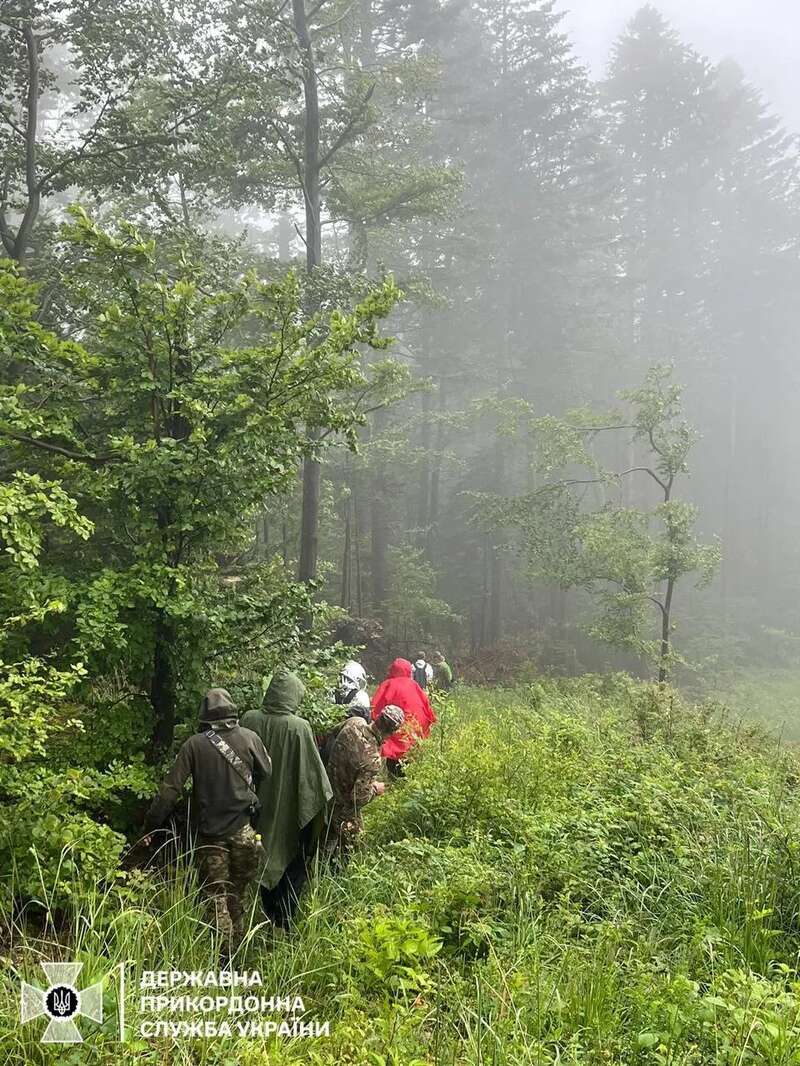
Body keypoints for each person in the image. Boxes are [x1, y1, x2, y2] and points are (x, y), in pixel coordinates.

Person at [141, 689, 271, 956]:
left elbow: (170, 790)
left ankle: (224, 958)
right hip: (244, 832)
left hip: (210, 836)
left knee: (215, 898)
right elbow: (267, 771)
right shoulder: (250, 738)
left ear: (205, 717)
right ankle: (240, 951)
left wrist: (151, 826)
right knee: (239, 895)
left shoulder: (194, 745)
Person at [240, 669, 332, 929]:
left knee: (258, 855)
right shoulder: (299, 728)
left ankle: (262, 917)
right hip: (287, 808)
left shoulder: (249, 719)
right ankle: (283, 923)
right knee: (290, 860)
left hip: (250, 808)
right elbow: (314, 780)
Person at [326, 704, 405, 858]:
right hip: (341, 807)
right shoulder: (373, 759)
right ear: (392, 732)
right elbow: (358, 798)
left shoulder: (354, 722)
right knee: (354, 846)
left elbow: (331, 733)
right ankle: (335, 871)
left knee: (322, 840)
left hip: (325, 788)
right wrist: (375, 789)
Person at [371, 658, 437, 776]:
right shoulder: (415, 685)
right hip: (413, 732)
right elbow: (427, 709)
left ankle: (394, 781)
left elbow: (374, 708)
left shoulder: (387, 684)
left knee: (394, 763)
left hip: (395, 732)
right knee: (410, 766)